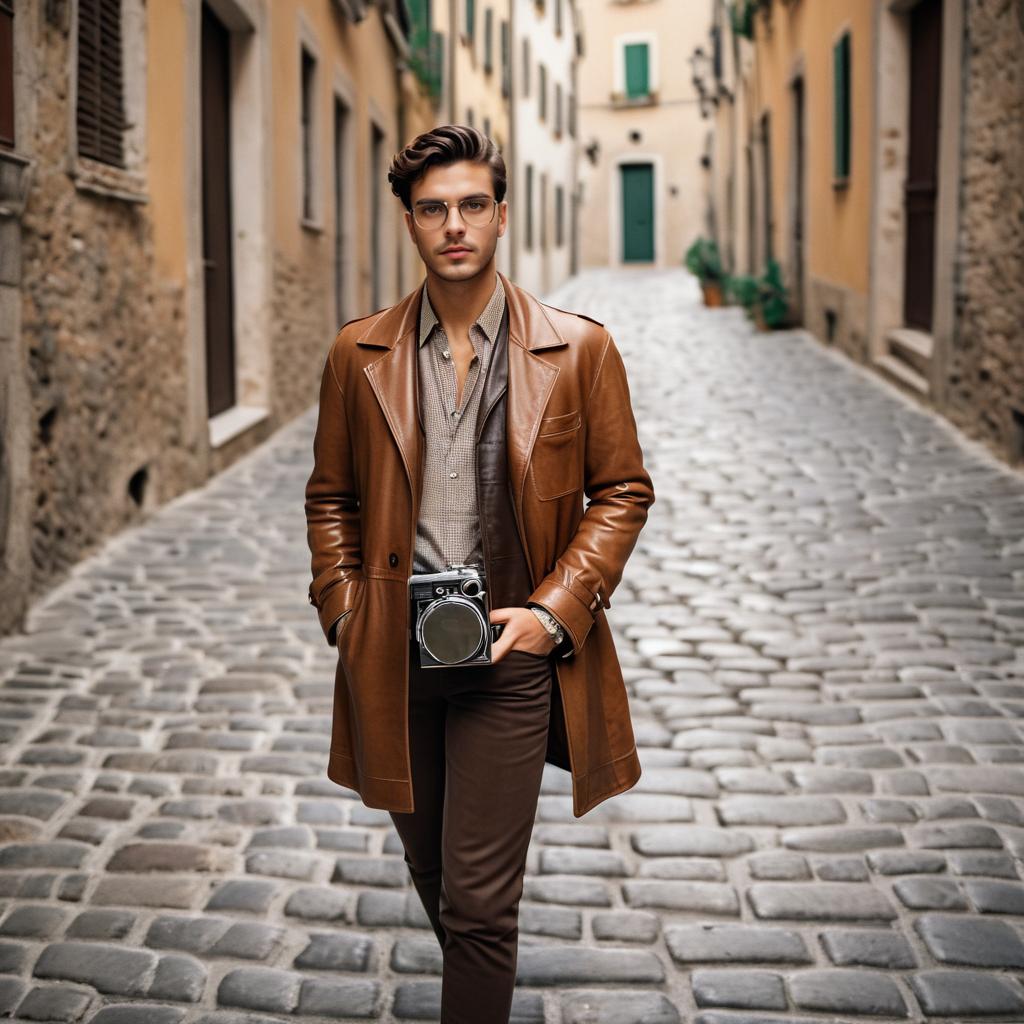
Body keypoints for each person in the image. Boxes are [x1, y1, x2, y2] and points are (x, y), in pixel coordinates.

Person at [304, 124, 654, 1023]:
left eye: (470, 206)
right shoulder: (358, 355)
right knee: (436, 877)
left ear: (501, 215)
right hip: (394, 656)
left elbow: (622, 491)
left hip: (511, 657)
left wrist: (553, 613)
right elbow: (331, 497)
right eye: (432, 209)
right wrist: (345, 609)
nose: (453, 224)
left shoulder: (579, 350)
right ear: (410, 224)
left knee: (483, 907)